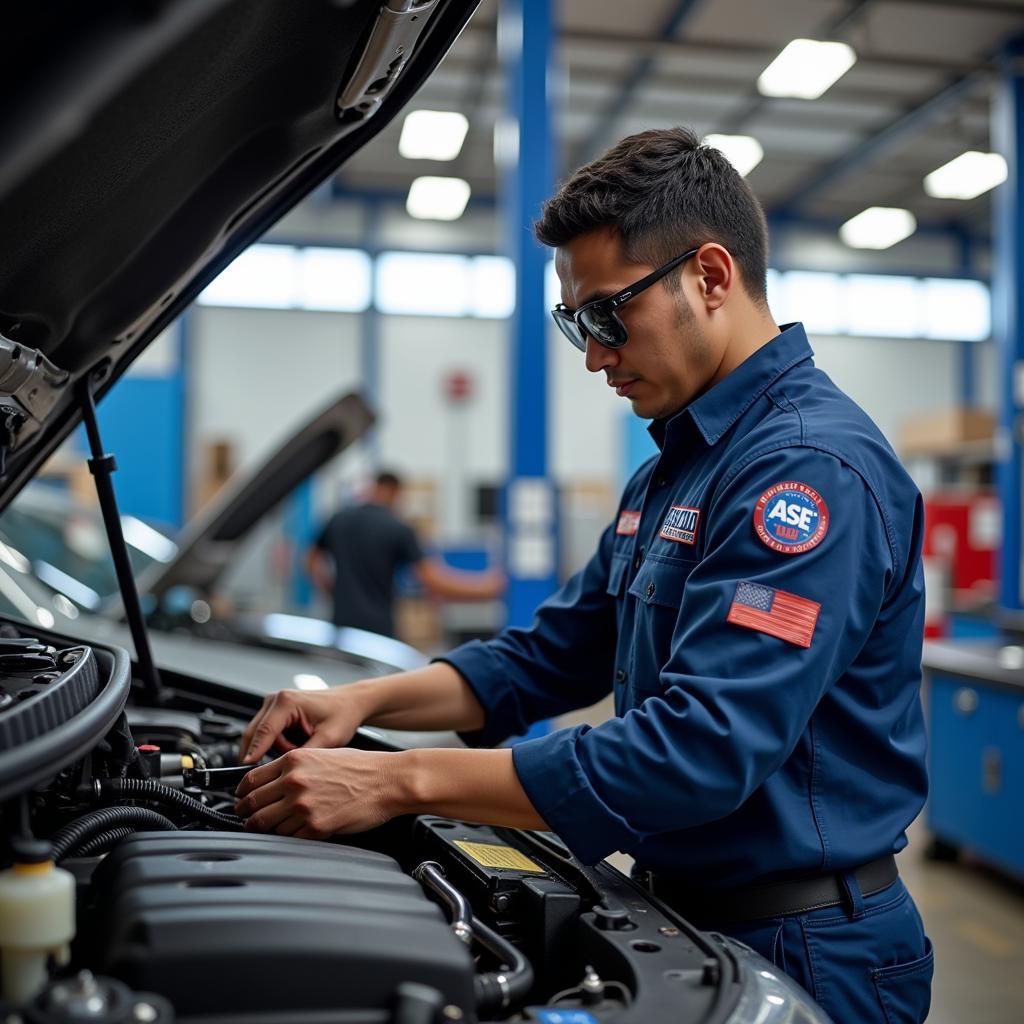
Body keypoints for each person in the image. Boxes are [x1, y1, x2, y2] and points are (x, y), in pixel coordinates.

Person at [236, 127, 932, 1024]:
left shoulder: (805, 472)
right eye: (577, 327)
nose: (596, 355)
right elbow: (545, 657)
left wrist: (392, 781)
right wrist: (364, 705)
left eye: (609, 315)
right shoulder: (675, 470)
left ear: (710, 277)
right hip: (690, 915)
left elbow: (698, 749)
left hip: (805, 948)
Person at [307, 470, 504, 638]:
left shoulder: (339, 519)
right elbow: (433, 580)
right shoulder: (397, 528)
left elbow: (311, 560)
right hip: (378, 627)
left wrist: (332, 591)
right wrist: (487, 588)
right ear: (395, 492)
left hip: (341, 623)